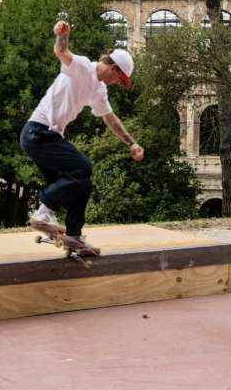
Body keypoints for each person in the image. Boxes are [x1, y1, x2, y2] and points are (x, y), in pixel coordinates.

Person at [20, 20, 144, 246]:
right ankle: (42, 214)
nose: (118, 83)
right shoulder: (83, 66)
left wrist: (132, 143)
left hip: (48, 137)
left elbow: (110, 118)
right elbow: (61, 51)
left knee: (82, 183)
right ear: (114, 68)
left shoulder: (99, 89)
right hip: (38, 132)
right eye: (119, 78)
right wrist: (62, 34)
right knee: (83, 167)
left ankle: (73, 236)